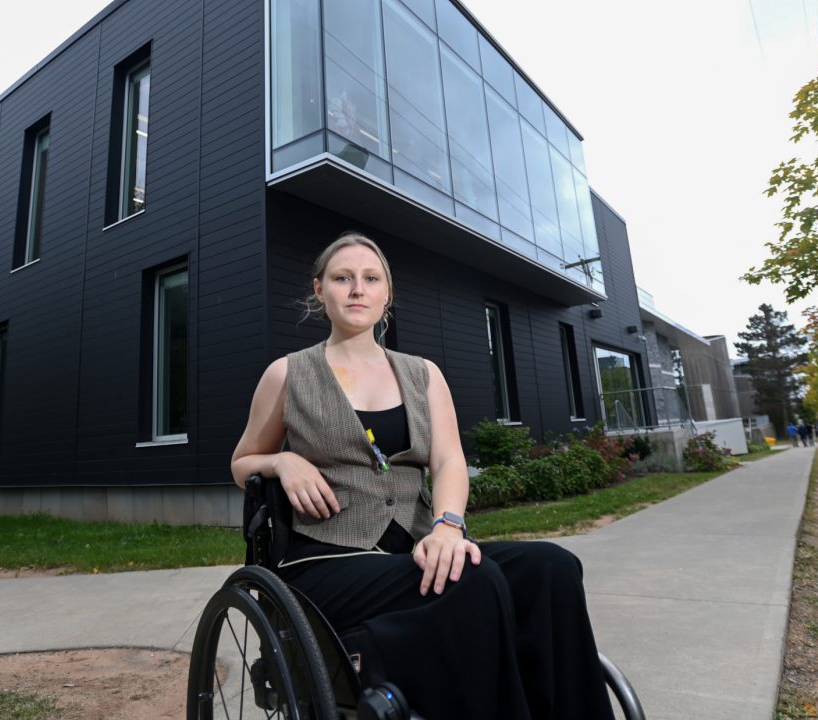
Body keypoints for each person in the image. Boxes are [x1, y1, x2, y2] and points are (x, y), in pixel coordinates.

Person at [231, 232, 615, 720]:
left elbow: (450, 461)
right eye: (342, 278)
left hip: (411, 547)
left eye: (370, 279)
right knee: (472, 579)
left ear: (386, 293)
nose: (356, 289)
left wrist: (447, 525)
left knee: (552, 567)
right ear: (319, 290)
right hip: (325, 561)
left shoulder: (423, 373)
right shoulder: (287, 374)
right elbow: (243, 462)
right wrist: (281, 461)